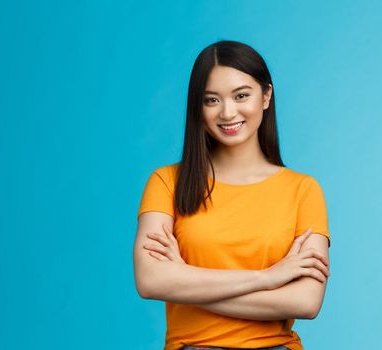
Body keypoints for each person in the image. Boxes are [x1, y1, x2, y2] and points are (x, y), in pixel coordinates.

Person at [134, 40, 331, 350]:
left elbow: (305, 302)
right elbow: (151, 281)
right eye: (211, 100)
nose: (227, 112)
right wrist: (268, 278)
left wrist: (185, 281)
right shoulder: (167, 182)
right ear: (197, 107)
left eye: (241, 95)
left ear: (266, 96)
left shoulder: (303, 190)